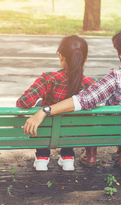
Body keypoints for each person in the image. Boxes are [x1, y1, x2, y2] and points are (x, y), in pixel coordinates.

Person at [23, 28, 121, 168]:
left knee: (95, 110)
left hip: (108, 133)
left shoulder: (116, 78)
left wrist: (45, 110)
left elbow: (82, 100)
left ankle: (91, 154)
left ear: (120, 56)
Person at [16, 35, 97, 172]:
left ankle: (42, 157)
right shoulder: (91, 84)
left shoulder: (49, 79)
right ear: (85, 59)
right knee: (73, 117)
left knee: (40, 105)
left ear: (61, 57)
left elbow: (24, 102)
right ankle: (67, 156)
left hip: (49, 130)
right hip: (73, 133)